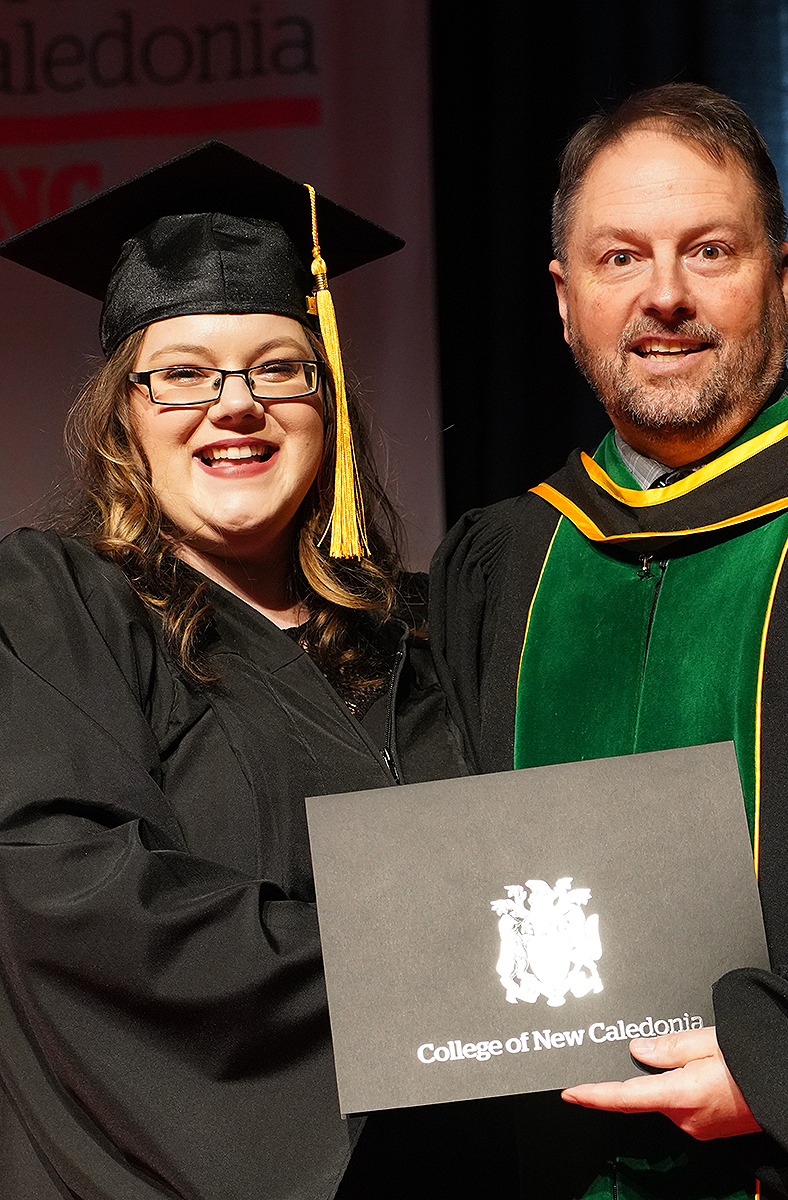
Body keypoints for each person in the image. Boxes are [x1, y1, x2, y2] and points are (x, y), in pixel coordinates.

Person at [0, 142, 500, 1200]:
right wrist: (445, 960)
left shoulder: (423, 632)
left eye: (279, 368)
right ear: (123, 415)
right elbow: (73, 900)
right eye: (181, 374)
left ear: (327, 402)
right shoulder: (58, 608)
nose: (236, 405)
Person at [431, 83, 788, 1199]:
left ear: (783, 281)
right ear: (564, 299)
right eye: (620, 258)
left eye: (710, 251)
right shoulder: (502, 563)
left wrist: (783, 1074)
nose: (664, 295)